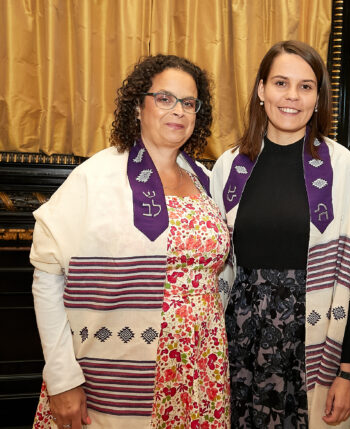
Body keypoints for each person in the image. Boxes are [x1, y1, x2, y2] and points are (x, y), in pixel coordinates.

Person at [30, 54, 231, 428]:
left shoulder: (204, 178)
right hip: (113, 377)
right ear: (138, 106)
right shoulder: (96, 177)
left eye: (189, 103)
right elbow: (47, 276)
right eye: (165, 98)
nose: (179, 111)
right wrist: (61, 377)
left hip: (198, 369)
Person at [210, 40, 350, 428]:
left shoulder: (340, 167)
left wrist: (347, 371)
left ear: (318, 97)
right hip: (238, 341)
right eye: (281, 83)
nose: (292, 96)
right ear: (261, 90)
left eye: (306, 86)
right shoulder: (229, 166)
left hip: (308, 340)